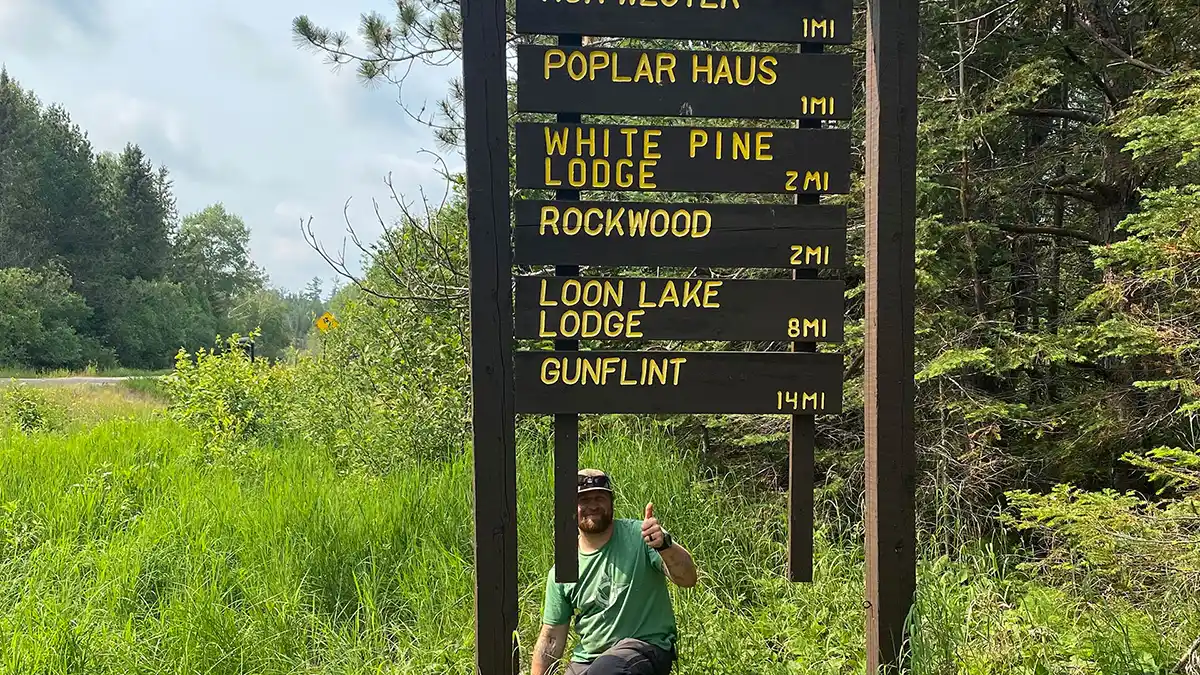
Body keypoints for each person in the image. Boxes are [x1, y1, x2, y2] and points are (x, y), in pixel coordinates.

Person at [531, 469, 699, 675]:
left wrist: (665, 546)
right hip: (588, 661)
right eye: (583, 500)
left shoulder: (642, 537)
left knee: (606, 670)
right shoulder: (564, 568)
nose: (593, 505)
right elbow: (551, 638)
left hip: (644, 649)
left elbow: (688, 578)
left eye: (600, 498)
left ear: (611, 503)